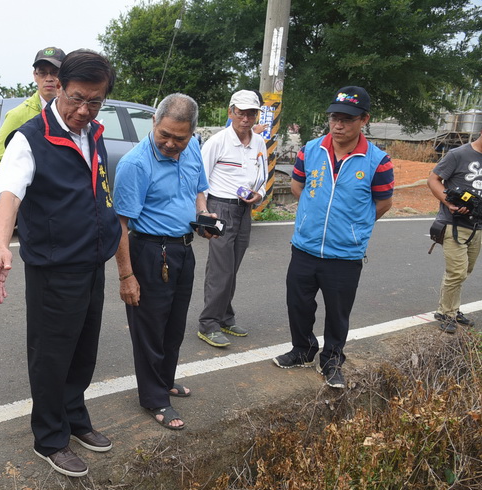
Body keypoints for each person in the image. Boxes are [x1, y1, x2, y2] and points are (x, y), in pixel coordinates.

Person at [0, 49, 118, 478]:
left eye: (94, 101)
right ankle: (49, 437)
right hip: (54, 267)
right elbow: (9, 193)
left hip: (90, 261)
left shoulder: (94, 133)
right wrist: (2, 246)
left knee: (84, 349)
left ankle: (75, 418)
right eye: (76, 98)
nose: (83, 110)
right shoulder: (31, 136)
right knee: (51, 354)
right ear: (58, 88)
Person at [272, 86, 394, 388]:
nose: (338, 125)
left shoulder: (377, 160)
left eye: (347, 119)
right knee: (298, 304)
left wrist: (354, 226)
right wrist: (312, 216)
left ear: (364, 119)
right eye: (334, 118)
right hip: (305, 247)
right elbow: (298, 187)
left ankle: (331, 360)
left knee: (338, 313)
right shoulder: (311, 150)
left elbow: (383, 203)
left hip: (345, 254)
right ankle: (302, 350)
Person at [113, 93, 211, 430]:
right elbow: (121, 226)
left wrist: (203, 215)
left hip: (184, 248)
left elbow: (199, 189)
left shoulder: (193, 147)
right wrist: (127, 275)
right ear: (153, 123)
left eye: (179, 138)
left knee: (174, 324)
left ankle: (165, 380)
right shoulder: (134, 164)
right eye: (164, 135)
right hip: (151, 252)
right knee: (150, 328)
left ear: (191, 133)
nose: (170, 144)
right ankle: (154, 398)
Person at [197, 90, 268, 348]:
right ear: (231, 112)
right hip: (220, 208)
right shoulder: (217, 142)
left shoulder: (258, 143)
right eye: (241, 113)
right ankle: (209, 323)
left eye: (251, 113)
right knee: (220, 268)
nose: (246, 119)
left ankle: (226, 316)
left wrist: (258, 194)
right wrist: (204, 213)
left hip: (244, 209)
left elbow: (263, 175)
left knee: (234, 265)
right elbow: (199, 181)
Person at [427, 129, 482, 333]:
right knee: (457, 271)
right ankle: (446, 313)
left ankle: (452, 308)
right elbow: (433, 180)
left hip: (478, 226)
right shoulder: (458, 154)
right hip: (454, 223)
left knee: (464, 271)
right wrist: (449, 203)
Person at [0, 46, 66, 181]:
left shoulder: (74, 112)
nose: (49, 78)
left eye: (55, 72)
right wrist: (11, 195)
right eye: (42, 73)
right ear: (35, 75)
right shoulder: (18, 115)